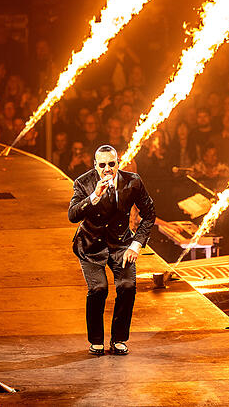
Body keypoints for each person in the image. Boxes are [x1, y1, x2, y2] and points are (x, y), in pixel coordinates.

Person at [68, 145, 155, 356]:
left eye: (111, 164)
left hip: (121, 243)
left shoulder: (133, 181)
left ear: (117, 163)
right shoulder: (83, 183)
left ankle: (119, 339)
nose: (107, 169)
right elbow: (72, 215)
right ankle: (96, 340)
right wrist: (93, 197)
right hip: (91, 246)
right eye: (102, 165)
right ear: (95, 165)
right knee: (99, 289)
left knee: (127, 286)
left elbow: (149, 213)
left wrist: (136, 244)